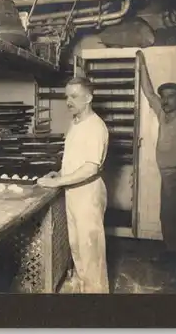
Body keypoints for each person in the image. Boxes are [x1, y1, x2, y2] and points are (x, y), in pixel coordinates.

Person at [136, 50, 176, 291]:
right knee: (168, 217)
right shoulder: (163, 115)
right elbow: (148, 91)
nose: (165, 100)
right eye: (164, 97)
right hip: (166, 176)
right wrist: (141, 64)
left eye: (171, 97)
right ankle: (172, 255)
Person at [37, 77, 110, 294]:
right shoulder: (76, 123)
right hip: (73, 190)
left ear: (88, 97)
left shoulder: (95, 127)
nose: (68, 101)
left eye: (74, 96)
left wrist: (57, 182)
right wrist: (59, 173)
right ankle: (82, 293)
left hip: (88, 192)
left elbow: (90, 168)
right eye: (67, 96)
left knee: (91, 252)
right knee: (77, 247)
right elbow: (75, 159)